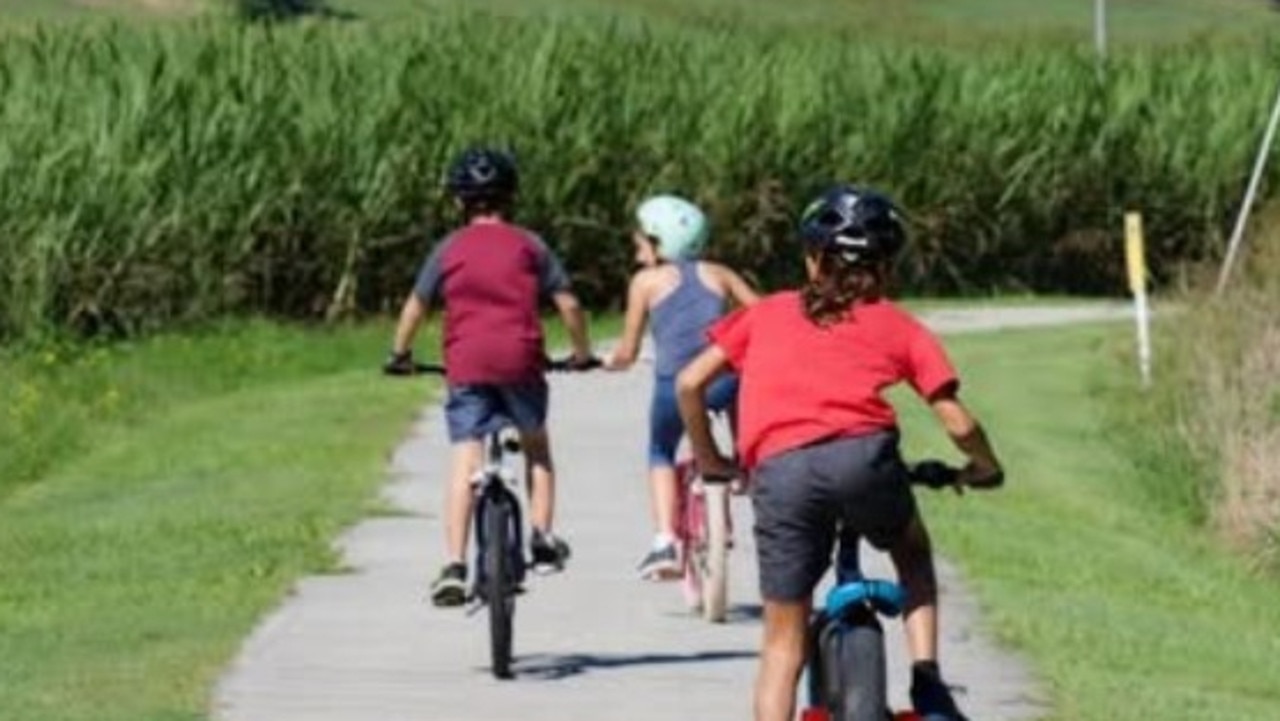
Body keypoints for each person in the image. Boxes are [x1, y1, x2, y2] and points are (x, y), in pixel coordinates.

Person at [676, 186, 1004, 721]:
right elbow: (957, 421)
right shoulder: (897, 323)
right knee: (913, 556)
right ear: (888, 269)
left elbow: (689, 383)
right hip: (864, 461)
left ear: (811, 260)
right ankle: (927, 682)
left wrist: (712, 459)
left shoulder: (768, 313)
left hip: (781, 475)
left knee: (783, 645)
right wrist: (985, 467)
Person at [385, 147, 596, 608]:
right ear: (511, 197)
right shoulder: (530, 245)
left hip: (467, 365)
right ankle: (541, 536)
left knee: (466, 456)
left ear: (460, 201)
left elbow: (415, 307)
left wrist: (400, 354)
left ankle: (455, 565)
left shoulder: (449, 248)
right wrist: (581, 353)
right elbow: (570, 305)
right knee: (536, 446)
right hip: (521, 361)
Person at [603, 194, 759, 579]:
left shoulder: (645, 282)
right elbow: (762, 313)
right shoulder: (720, 274)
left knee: (660, 450)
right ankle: (744, 465)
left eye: (642, 240)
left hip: (672, 388)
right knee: (739, 382)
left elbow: (628, 349)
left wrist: (613, 362)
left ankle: (664, 542)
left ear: (660, 242)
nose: (636, 247)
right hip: (719, 382)